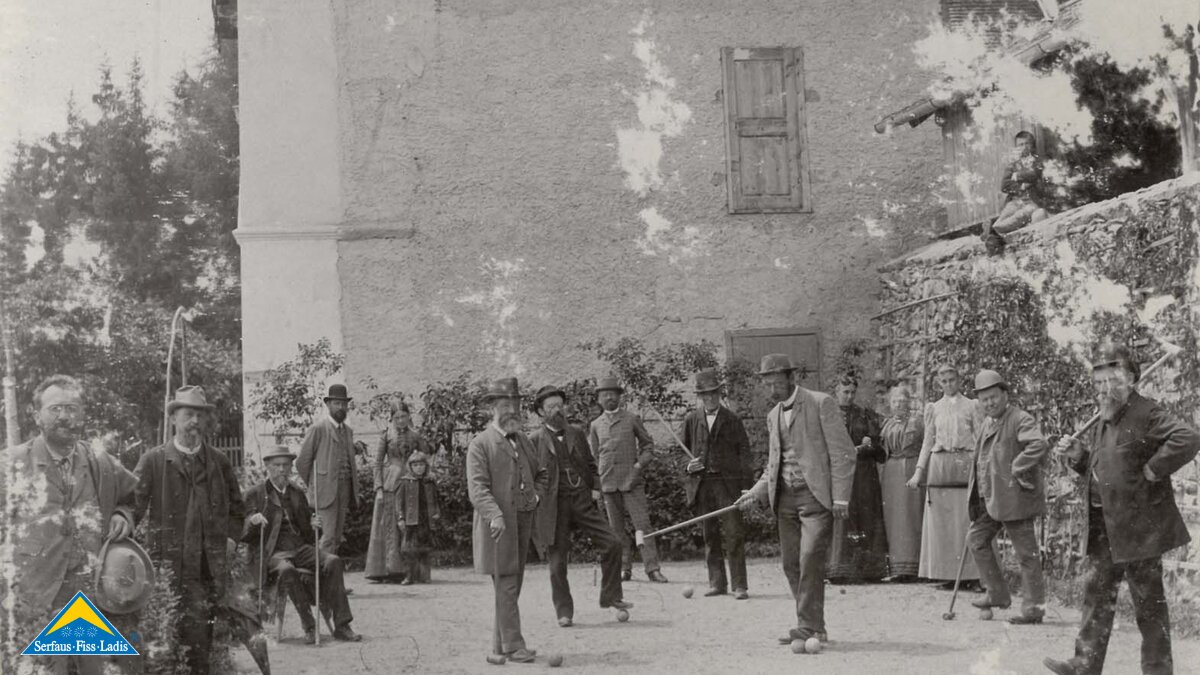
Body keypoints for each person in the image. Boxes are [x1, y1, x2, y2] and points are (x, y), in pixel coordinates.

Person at [1045, 343, 1199, 675]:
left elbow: (1188, 437)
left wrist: (1154, 468)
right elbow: (1105, 469)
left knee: (1149, 606)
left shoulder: (1147, 412)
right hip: (1105, 524)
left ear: (1130, 379)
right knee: (1096, 597)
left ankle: (1158, 671)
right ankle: (1084, 665)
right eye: (1098, 383)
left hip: (1139, 528)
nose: (1104, 389)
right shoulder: (1105, 414)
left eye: (1111, 381)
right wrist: (1078, 457)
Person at [0, 375, 139, 675]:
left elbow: (133, 496)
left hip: (89, 597)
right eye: (55, 408)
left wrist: (121, 515)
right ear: (36, 415)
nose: (64, 416)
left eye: (72, 408)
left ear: (83, 415)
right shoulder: (11, 464)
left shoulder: (100, 461)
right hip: (35, 599)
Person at [133, 386, 263, 674]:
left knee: (205, 641)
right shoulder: (154, 461)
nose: (194, 421)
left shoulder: (219, 461)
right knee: (165, 642)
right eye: (188, 414)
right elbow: (133, 508)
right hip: (168, 565)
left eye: (199, 416)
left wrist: (231, 537)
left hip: (210, 567)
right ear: (173, 419)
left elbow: (237, 508)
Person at [734, 354, 855, 645]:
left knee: (810, 557)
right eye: (768, 384)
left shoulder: (819, 403)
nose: (772, 389)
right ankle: (815, 626)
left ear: (792, 378)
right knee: (791, 564)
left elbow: (843, 453)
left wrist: (840, 498)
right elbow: (773, 465)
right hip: (785, 499)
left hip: (815, 497)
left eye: (777, 382)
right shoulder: (773, 415)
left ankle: (807, 625)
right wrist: (755, 492)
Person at [529, 385, 630, 626]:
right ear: (541, 413)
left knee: (613, 543)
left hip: (582, 501)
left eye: (559, 405)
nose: (556, 410)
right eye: (550, 407)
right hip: (554, 507)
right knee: (557, 564)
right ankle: (564, 612)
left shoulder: (576, 433)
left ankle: (611, 596)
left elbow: (591, 463)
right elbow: (529, 475)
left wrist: (595, 487)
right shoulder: (534, 440)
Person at [243, 445, 361, 644]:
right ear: (268, 467)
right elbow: (240, 530)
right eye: (277, 465)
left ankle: (342, 625)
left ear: (291, 468)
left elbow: (307, 531)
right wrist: (252, 521)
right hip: (271, 552)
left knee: (333, 561)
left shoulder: (297, 492)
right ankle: (309, 625)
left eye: (286, 465)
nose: (281, 469)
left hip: (298, 548)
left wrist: (315, 526)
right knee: (288, 570)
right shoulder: (255, 493)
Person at [467, 377, 548, 664]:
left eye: (516, 404)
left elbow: (542, 473)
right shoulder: (480, 444)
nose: (512, 410)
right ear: (492, 408)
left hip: (522, 525)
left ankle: (500, 644)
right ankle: (514, 646)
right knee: (507, 585)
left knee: (511, 586)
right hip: (497, 528)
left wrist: (536, 497)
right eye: (505, 404)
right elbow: (477, 489)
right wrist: (495, 515)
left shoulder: (524, 440)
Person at [965, 369, 1049, 625]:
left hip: (1015, 499)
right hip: (991, 500)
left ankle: (1033, 609)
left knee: (1026, 554)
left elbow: (1038, 444)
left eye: (993, 397)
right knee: (977, 540)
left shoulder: (1020, 419)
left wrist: (1017, 466)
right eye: (984, 399)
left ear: (1005, 394)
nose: (989, 403)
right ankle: (998, 594)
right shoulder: (986, 424)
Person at [908, 364, 983, 590]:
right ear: (939, 384)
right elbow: (928, 442)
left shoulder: (972, 406)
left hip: (965, 462)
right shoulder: (934, 408)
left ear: (959, 380)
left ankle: (973, 576)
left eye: (952, 379)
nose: (949, 384)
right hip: (940, 463)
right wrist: (918, 471)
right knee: (942, 521)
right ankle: (948, 575)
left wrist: (982, 467)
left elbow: (980, 438)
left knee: (965, 518)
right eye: (944, 381)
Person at [680, 369, 754, 598]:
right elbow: (683, 452)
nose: (710, 398)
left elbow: (744, 454)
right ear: (700, 397)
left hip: (727, 485)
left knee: (734, 534)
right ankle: (717, 583)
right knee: (709, 534)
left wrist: (746, 488)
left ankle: (739, 585)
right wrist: (688, 465)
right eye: (705, 395)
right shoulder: (691, 420)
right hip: (703, 485)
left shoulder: (732, 420)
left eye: (714, 393)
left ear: (720, 394)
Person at [588, 376, 667, 583]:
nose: (609, 398)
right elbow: (595, 456)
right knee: (616, 530)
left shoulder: (631, 419)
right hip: (608, 485)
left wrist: (638, 466)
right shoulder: (596, 425)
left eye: (613, 394)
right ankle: (624, 568)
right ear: (599, 399)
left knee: (643, 525)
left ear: (619, 396)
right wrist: (598, 481)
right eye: (605, 395)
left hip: (632, 482)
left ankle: (653, 568)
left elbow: (648, 447)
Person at [827, 373, 887, 584]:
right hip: (839, 473)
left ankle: (869, 570)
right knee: (842, 517)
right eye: (845, 392)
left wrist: (870, 444)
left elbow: (881, 451)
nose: (849, 396)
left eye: (853, 392)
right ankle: (839, 569)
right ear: (836, 392)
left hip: (863, 474)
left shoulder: (865, 415)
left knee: (865, 517)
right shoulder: (827, 414)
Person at [365, 402, 432, 582]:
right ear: (392, 419)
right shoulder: (386, 436)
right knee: (390, 526)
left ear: (409, 416)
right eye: (397, 417)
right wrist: (378, 487)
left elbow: (425, 459)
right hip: (391, 483)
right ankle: (388, 571)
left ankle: (412, 572)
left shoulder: (416, 436)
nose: (400, 421)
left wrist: (424, 477)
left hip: (412, 484)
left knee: (411, 527)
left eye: (403, 416)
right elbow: (377, 462)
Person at [297, 384, 360, 555]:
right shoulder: (318, 429)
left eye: (343, 404)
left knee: (337, 537)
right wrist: (316, 483)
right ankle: (323, 578)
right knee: (327, 537)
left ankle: (333, 576)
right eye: (337, 403)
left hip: (344, 490)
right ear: (328, 405)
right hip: (325, 493)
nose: (341, 407)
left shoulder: (347, 431)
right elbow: (302, 462)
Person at [879, 383, 925, 581]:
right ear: (890, 403)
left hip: (911, 470)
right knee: (893, 518)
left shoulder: (918, 422)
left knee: (912, 516)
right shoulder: (886, 424)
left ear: (909, 401)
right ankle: (897, 567)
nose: (899, 404)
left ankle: (915, 566)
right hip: (891, 474)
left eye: (902, 400)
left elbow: (926, 446)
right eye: (895, 400)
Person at [982, 130, 1050, 253]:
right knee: (1006, 214)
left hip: (1032, 201)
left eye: (1027, 144)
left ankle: (994, 230)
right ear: (1016, 148)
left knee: (1020, 216)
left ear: (1032, 145)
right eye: (1021, 144)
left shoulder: (1038, 161)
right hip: (1015, 200)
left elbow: (1036, 173)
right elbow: (1005, 185)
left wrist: (1018, 175)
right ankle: (994, 227)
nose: (1024, 147)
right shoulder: (1012, 165)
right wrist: (1022, 187)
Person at [395, 451, 441, 584]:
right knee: (408, 549)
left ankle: (425, 576)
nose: (419, 468)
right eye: (415, 465)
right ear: (410, 467)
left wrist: (437, 513)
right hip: (411, 519)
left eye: (421, 465)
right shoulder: (405, 482)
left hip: (426, 519)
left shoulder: (430, 482)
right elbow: (399, 502)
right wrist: (400, 518)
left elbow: (436, 500)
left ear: (426, 466)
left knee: (425, 549)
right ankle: (409, 576)